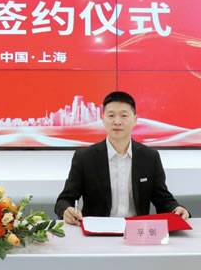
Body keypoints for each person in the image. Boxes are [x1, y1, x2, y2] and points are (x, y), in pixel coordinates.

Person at [55, 91, 189, 225]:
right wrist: (66, 210)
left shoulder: (149, 157)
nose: (117, 122)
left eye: (124, 115)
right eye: (111, 115)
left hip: (137, 230)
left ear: (135, 120)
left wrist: (176, 209)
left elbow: (162, 199)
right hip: (97, 231)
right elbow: (64, 200)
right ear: (103, 119)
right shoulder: (85, 157)